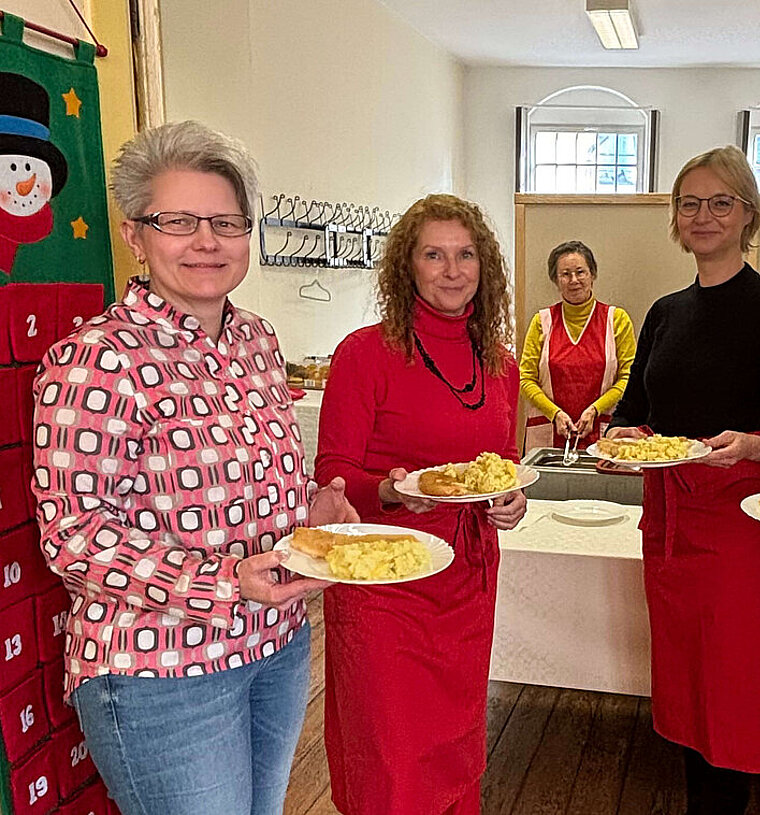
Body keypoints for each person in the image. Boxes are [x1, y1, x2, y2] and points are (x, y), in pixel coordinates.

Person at [31, 120, 357, 815]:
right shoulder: (97, 358)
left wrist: (311, 513)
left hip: (277, 643)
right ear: (135, 234)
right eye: (178, 220)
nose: (207, 241)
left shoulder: (256, 339)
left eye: (226, 221)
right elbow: (76, 535)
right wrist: (222, 581)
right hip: (162, 669)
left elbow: (254, 485)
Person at [608, 145, 760, 814]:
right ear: (676, 219)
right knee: (683, 684)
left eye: (720, 202)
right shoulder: (665, 313)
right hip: (670, 520)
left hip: (742, 526)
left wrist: (752, 445)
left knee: (733, 693)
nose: (703, 215)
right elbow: (634, 412)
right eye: (689, 203)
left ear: (748, 215)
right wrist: (624, 437)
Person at [314, 193, 527, 815]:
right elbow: (333, 472)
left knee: (455, 745)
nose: (452, 269)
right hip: (387, 580)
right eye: (434, 254)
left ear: (484, 266)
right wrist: (388, 489)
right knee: (390, 752)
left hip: (467, 578)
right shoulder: (364, 353)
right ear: (407, 265)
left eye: (465, 255)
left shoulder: (501, 366)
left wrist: (506, 503)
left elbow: (497, 471)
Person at [519, 240, 636, 451]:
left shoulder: (616, 319)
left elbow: (629, 377)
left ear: (592, 275)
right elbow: (526, 377)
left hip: (603, 432)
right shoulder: (541, 322)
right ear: (556, 280)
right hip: (549, 433)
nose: (574, 280)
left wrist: (594, 410)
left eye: (580, 272)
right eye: (565, 274)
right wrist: (554, 413)